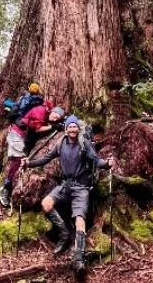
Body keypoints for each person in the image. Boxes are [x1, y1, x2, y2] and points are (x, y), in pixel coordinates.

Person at [23, 114, 111, 274]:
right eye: (70, 126)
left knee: (80, 220)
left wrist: (107, 164)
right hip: (65, 185)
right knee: (46, 203)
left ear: (78, 129)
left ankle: (79, 258)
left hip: (81, 187)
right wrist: (29, 163)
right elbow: (45, 159)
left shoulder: (84, 144)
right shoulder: (61, 143)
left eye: (74, 126)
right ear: (66, 129)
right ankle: (64, 234)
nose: (72, 129)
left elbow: (96, 160)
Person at [0, 100, 65, 207]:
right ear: (52, 111)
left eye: (57, 118)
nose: (54, 118)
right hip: (17, 134)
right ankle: (4, 189)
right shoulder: (40, 111)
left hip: (25, 138)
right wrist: (53, 127)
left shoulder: (47, 113)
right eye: (55, 115)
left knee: (22, 163)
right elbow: (36, 129)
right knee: (17, 161)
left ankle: (11, 188)